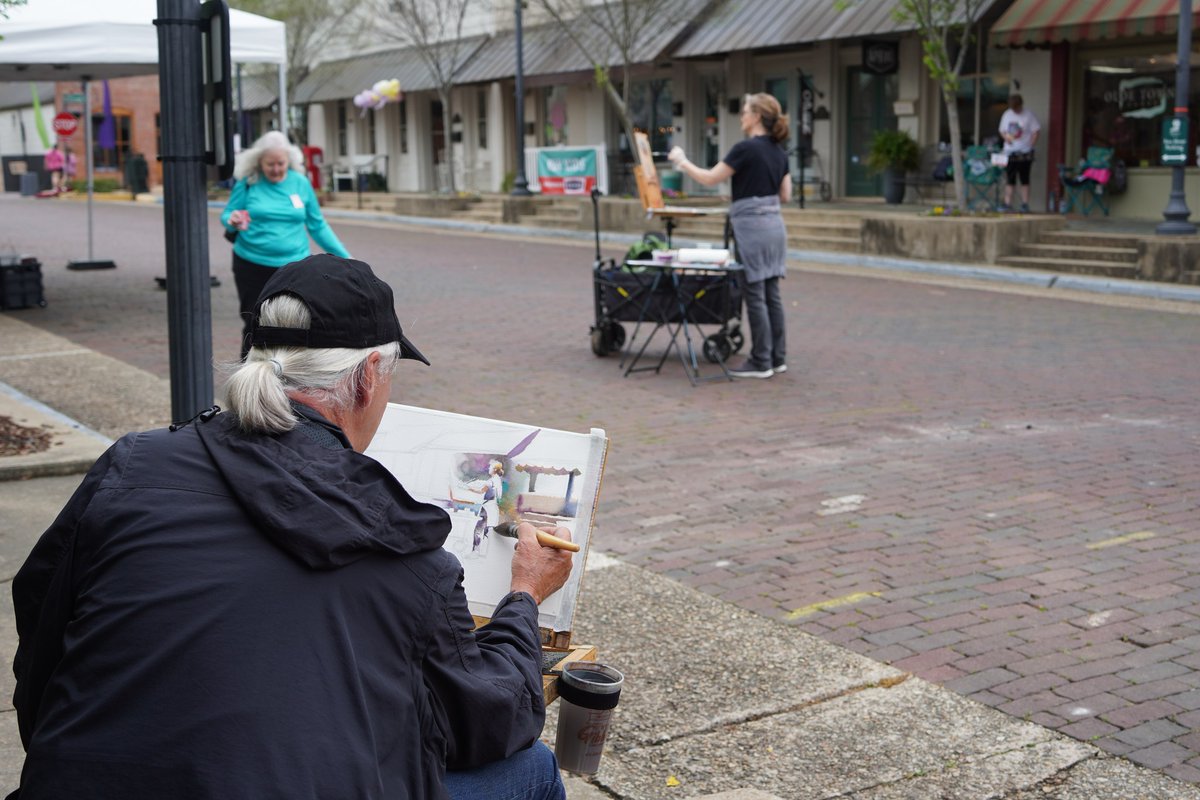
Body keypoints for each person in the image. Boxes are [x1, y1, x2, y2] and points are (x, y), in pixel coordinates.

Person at [9, 254, 573, 800]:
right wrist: (524, 596)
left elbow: (42, 628)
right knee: (532, 769)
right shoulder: (401, 545)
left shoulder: (132, 464)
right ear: (368, 377)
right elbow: (491, 720)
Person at [668, 92, 790, 379]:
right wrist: (746, 194)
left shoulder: (745, 148)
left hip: (753, 230)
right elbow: (785, 195)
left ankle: (760, 361)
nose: (741, 116)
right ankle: (777, 358)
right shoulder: (779, 151)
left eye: (745, 111)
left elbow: (710, 178)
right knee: (771, 294)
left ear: (757, 117)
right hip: (775, 227)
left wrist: (682, 161)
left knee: (755, 294)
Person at [221, 130, 351, 360]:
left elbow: (317, 225)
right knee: (254, 322)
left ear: (289, 161)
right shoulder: (249, 182)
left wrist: (345, 258)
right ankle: (250, 373)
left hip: (293, 267)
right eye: (269, 164)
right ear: (259, 162)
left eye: (280, 163)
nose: (276, 169)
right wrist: (232, 219)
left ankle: (286, 371)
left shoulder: (300, 183)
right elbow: (228, 213)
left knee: (293, 323)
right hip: (251, 263)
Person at [998, 94, 1040, 213]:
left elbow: (1036, 131)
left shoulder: (1028, 115)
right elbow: (1001, 130)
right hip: (1010, 151)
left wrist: (1031, 145)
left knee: (1024, 178)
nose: (1015, 110)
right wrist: (1006, 138)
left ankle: (1025, 204)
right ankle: (1007, 203)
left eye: (1017, 108)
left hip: (1025, 152)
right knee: (1010, 178)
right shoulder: (1007, 114)